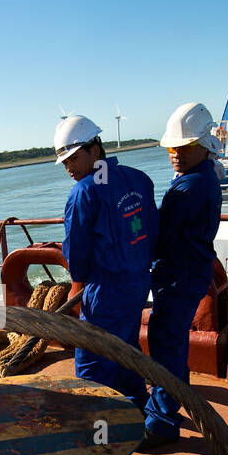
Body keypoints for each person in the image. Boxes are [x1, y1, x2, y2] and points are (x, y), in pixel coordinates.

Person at [55, 114, 158, 410]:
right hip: (139, 283)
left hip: (106, 291)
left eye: (73, 158)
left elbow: (76, 251)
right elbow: (152, 230)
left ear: (95, 150)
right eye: (65, 162)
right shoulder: (138, 178)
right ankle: (135, 409)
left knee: (92, 360)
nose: (69, 168)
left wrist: (83, 281)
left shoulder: (84, 192)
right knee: (125, 351)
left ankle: (96, 431)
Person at [143, 103, 224, 449]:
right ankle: (171, 400)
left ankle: (161, 423)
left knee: (165, 344)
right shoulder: (205, 177)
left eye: (185, 146)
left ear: (205, 145)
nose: (176, 153)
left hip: (178, 276)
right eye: (172, 147)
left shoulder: (187, 188)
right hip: (190, 272)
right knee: (171, 341)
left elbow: (160, 238)